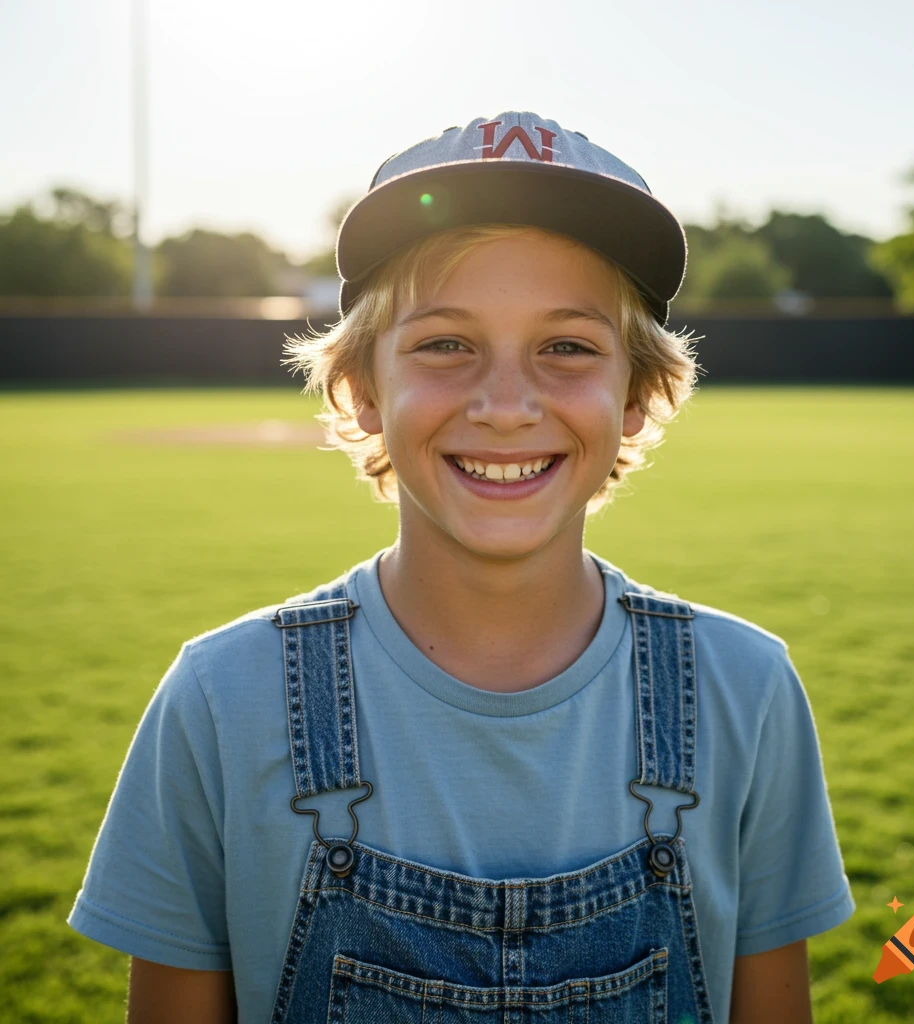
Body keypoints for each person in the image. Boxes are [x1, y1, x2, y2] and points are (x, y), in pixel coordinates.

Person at [68, 111, 855, 1024]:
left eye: (567, 347)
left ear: (637, 395)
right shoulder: (221, 698)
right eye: (446, 343)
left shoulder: (742, 689)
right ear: (360, 389)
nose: (508, 405)